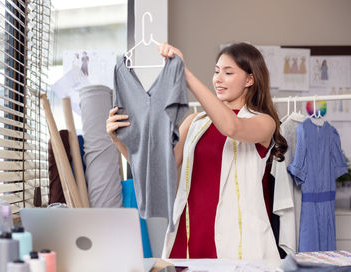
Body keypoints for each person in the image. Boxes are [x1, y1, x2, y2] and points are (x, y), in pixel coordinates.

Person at [106, 42, 287, 263]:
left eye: (228, 73)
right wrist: (117, 139)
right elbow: (156, 173)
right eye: (216, 71)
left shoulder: (263, 122)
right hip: (189, 237)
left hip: (238, 241)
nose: (218, 79)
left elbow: (231, 128)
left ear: (250, 79)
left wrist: (185, 73)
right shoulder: (194, 122)